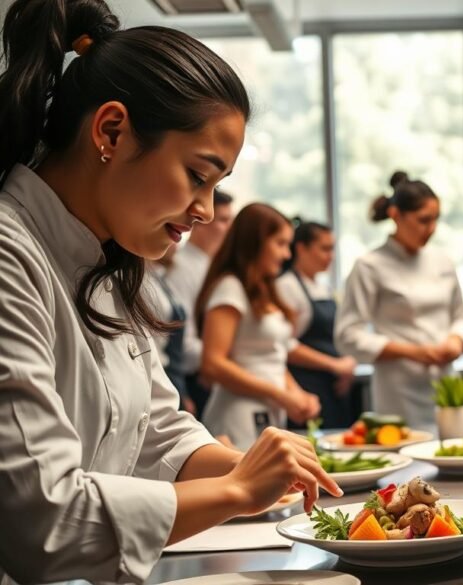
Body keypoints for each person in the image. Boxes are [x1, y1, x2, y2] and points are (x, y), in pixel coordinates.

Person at [0, 1, 339, 582]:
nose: (206, 211)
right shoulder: (11, 254)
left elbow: (160, 430)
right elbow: (46, 520)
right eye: (198, 176)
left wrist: (259, 469)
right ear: (111, 131)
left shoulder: (106, 264)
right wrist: (237, 488)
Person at [335, 171, 463, 428]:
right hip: (399, 391)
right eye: (423, 220)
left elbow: (462, 316)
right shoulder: (370, 266)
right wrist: (414, 352)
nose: (431, 229)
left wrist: (456, 339)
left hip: (447, 383)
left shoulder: (441, 260)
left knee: (456, 451)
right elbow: (347, 335)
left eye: (435, 220)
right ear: (396, 215)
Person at [197, 203, 322, 449]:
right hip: (237, 417)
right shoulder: (230, 288)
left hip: (268, 413)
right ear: (255, 242)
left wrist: (297, 394)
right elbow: (212, 364)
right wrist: (280, 395)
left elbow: (272, 356)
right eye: (280, 244)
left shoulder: (262, 289)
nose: (287, 255)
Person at [277, 220, 357, 428]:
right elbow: (285, 346)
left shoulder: (324, 287)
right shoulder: (287, 287)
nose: (330, 256)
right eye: (324, 249)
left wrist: (346, 366)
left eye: (332, 249)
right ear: (301, 248)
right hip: (307, 387)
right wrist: (333, 364)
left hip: (334, 389)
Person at [165, 188, 234, 417]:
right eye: (223, 220)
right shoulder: (182, 268)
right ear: (200, 221)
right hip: (195, 377)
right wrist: (223, 357)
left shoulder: (213, 266)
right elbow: (181, 336)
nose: (229, 228)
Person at [144, 244, 190, 410]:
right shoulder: (143, 282)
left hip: (170, 376)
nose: (176, 245)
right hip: (159, 374)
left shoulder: (157, 276)